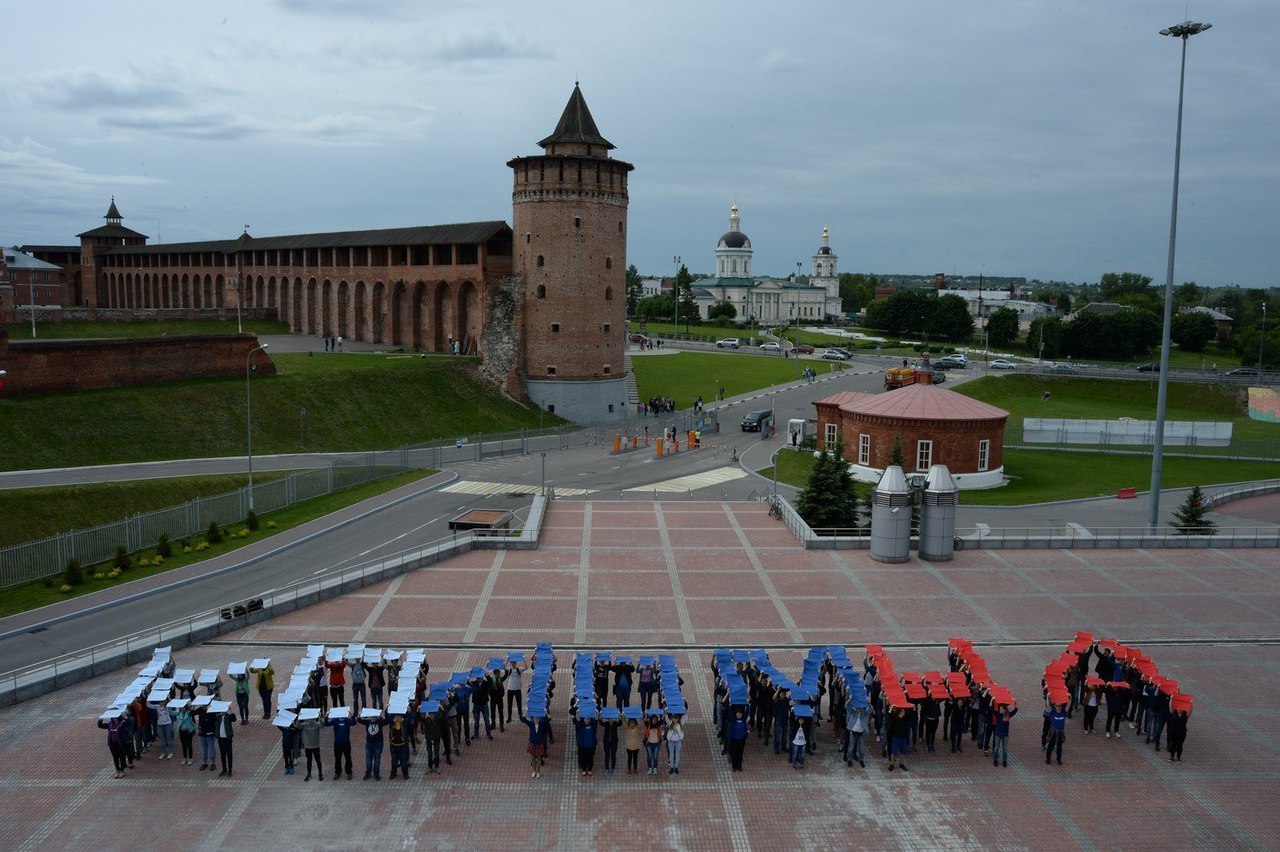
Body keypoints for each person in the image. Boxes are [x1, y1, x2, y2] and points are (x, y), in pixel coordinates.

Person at [326, 709, 355, 780]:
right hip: (337, 743)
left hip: (346, 743)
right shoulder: (335, 720)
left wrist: (352, 715)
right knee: (337, 758)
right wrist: (326, 716)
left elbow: (354, 723)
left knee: (348, 758)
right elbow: (326, 724)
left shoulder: (347, 720)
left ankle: (349, 772)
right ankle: (337, 772)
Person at [99, 714, 130, 778]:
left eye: (116, 718)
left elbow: (129, 724)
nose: (114, 719)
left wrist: (126, 718)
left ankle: (122, 770)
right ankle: (117, 770)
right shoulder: (109, 724)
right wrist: (100, 720)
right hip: (112, 744)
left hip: (120, 743)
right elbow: (100, 725)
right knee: (115, 757)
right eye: (113, 718)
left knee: (122, 756)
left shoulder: (122, 723)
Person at [521, 713, 551, 778]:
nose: (536, 719)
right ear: (533, 719)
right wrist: (526, 712)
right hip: (532, 743)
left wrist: (546, 712)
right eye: (535, 718)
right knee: (533, 758)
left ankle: (538, 771)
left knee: (539, 759)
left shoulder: (542, 724)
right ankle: (534, 771)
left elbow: (549, 719)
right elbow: (523, 719)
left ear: (539, 719)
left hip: (539, 744)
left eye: (537, 718)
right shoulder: (531, 724)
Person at [990, 702, 1018, 768]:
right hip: (998, 733)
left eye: (1002, 709)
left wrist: (1015, 702)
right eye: (1000, 709)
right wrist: (992, 700)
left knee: (1004, 748)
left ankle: (1004, 761)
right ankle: (995, 760)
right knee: (996, 747)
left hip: (1004, 734)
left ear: (1005, 709)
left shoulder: (1008, 715)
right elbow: (991, 708)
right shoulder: (998, 715)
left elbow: (1016, 710)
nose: (1001, 710)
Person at [359, 711, 384, 780]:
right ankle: (368, 773)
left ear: (377, 717)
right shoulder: (367, 722)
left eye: (374, 717)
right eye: (372, 717)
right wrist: (359, 714)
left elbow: (387, 721)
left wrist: (382, 716)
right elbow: (359, 720)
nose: (373, 718)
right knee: (368, 760)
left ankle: (376, 773)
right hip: (369, 744)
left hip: (378, 744)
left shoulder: (380, 722)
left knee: (377, 760)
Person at [300, 713, 324, 781]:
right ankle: (309, 774)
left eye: (311, 719)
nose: (310, 720)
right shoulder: (304, 725)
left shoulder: (316, 724)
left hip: (315, 746)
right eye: (308, 719)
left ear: (313, 719)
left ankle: (320, 774)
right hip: (307, 747)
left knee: (318, 761)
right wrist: (299, 718)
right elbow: (297, 726)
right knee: (309, 761)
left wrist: (319, 718)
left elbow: (322, 725)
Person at [886, 706, 911, 772]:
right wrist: (891, 707)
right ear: (900, 712)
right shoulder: (895, 718)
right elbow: (888, 714)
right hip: (896, 738)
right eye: (903, 711)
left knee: (903, 752)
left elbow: (912, 712)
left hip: (904, 738)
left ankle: (901, 764)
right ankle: (891, 765)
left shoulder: (906, 718)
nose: (904, 712)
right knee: (893, 752)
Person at [575, 713, 599, 777]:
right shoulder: (581, 726)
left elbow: (596, 718)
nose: (587, 720)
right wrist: (578, 712)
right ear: (584, 720)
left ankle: (590, 769)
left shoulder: (593, 726)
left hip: (591, 746)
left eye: (588, 719)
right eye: (586, 719)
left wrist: (596, 711)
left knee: (590, 758)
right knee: (583, 758)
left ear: (590, 720)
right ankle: (584, 770)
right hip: (583, 746)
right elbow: (577, 718)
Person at [195, 703, 218, 771]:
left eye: (205, 705)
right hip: (202, 733)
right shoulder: (200, 709)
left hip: (210, 733)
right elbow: (192, 713)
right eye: (203, 705)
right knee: (203, 749)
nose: (204, 707)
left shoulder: (212, 711)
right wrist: (193, 707)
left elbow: (215, 718)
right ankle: (204, 762)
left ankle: (212, 763)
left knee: (211, 748)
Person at [1044, 700, 1067, 766]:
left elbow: (1069, 704)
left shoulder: (1063, 712)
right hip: (1053, 731)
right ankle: (1048, 759)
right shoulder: (1053, 712)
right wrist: (1048, 698)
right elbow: (1048, 706)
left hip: (1060, 732)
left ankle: (1058, 759)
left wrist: (1070, 698)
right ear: (1054, 706)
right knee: (1051, 745)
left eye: (1060, 706)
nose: (1058, 707)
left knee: (1059, 746)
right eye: (1057, 705)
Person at [387, 715, 410, 780]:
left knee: (404, 762)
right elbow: (387, 718)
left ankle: (405, 774)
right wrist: (386, 710)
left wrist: (409, 712)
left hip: (403, 746)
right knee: (394, 762)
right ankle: (393, 773)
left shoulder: (404, 723)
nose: (397, 718)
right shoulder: (392, 723)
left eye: (399, 717)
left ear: (401, 718)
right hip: (393, 746)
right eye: (396, 717)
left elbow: (410, 719)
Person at [215, 707, 236, 777]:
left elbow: (234, 719)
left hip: (227, 739)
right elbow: (213, 718)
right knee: (222, 755)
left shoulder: (228, 717)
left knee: (229, 755)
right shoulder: (218, 717)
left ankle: (230, 770)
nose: (223, 712)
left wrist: (231, 712)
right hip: (220, 739)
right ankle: (224, 769)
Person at [846, 703, 868, 768]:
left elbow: (870, 710)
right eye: (857, 707)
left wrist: (869, 704)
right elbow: (846, 706)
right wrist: (849, 700)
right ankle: (849, 760)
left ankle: (861, 760)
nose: (858, 709)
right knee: (851, 748)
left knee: (862, 748)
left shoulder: (864, 714)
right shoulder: (853, 712)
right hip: (853, 733)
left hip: (860, 734)